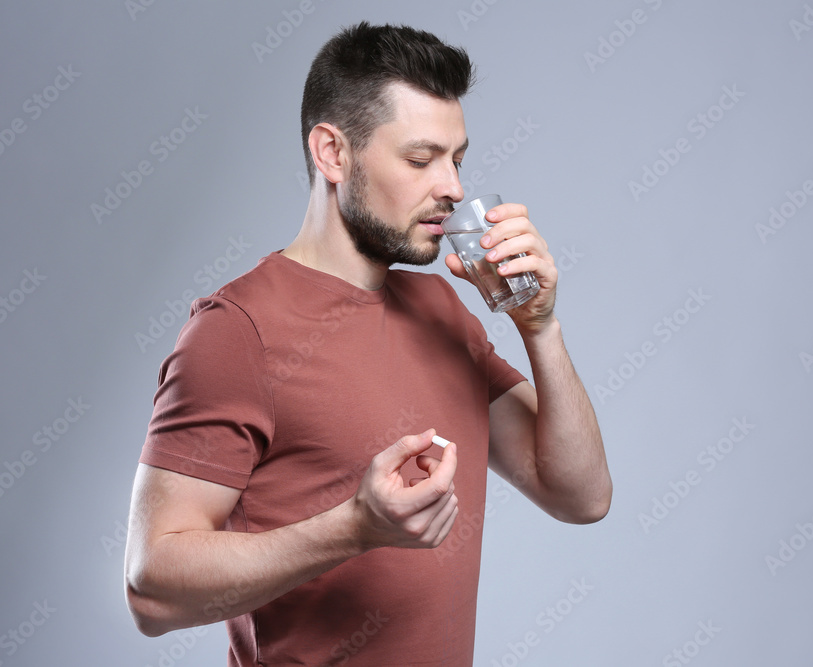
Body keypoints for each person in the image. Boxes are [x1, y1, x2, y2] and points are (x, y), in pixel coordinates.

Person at [124, 21, 611, 667]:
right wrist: (353, 528)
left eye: (457, 159)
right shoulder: (236, 329)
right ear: (332, 152)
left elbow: (581, 495)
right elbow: (152, 592)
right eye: (420, 159)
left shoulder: (440, 307)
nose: (454, 188)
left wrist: (539, 326)